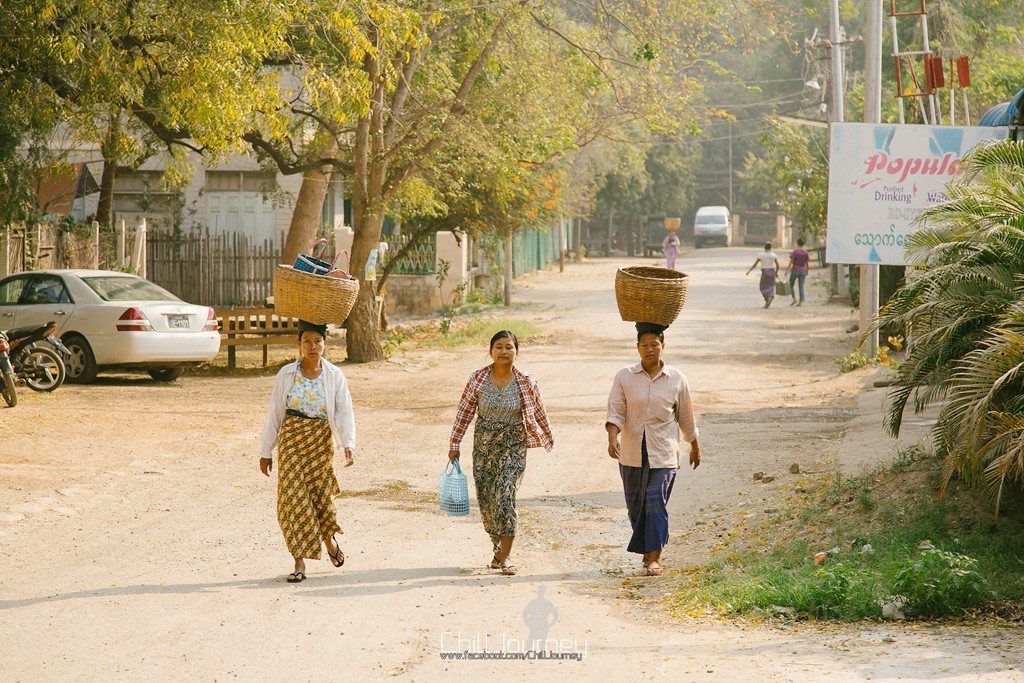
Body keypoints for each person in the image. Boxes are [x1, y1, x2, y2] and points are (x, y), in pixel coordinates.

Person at [448, 330, 554, 576]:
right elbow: (464, 413)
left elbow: (539, 412)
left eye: (509, 347)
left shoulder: (526, 381)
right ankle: (497, 548)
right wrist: (455, 444)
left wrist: (546, 436)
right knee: (487, 501)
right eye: (499, 347)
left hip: (513, 444)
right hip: (484, 445)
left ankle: (506, 556)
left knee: (506, 495)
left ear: (516, 352)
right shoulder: (477, 378)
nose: (504, 352)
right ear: (490, 351)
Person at [260, 320, 355, 583]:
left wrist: (348, 444)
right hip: (292, 440)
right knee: (293, 500)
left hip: (320, 442)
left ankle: (329, 541)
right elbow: (275, 413)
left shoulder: (334, 375)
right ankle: (299, 563)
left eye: (317, 341)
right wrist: (266, 450)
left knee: (320, 496)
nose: (312, 346)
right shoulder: (287, 375)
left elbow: (344, 410)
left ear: (325, 344)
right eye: (307, 342)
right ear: (299, 344)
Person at [606, 323, 700, 576]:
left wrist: (694, 446)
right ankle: (647, 550)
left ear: (663, 346)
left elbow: (686, 416)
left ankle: (655, 556)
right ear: (637, 348)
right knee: (636, 506)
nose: (650, 349)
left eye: (654, 345)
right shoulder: (624, 377)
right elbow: (615, 411)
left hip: (665, 453)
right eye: (644, 345)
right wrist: (612, 437)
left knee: (655, 500)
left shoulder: (677, 378)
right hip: (631, 453)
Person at [745, 242, 782, 308]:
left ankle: (767, 299)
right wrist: (776, 273)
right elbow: (778, 266)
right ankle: (770, 297)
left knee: (762, 287)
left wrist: (749, 271)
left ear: (764, 247)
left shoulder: (761, 255)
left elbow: (755, 264)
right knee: (771, 286)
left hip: (765, 272)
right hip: (772, 272)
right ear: (771, 248)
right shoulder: (773, 255)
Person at [786, 237, 811, 306]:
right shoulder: (805, 252)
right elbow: (807, 263)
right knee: (801, 286)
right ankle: (800, 301)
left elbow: (791, 261)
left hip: (795, 270)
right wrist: (807, 270)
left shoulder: (795, 251)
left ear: (797, 243)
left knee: (791, 284)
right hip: (803, 270)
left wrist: (787, 270)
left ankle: (794, 299)